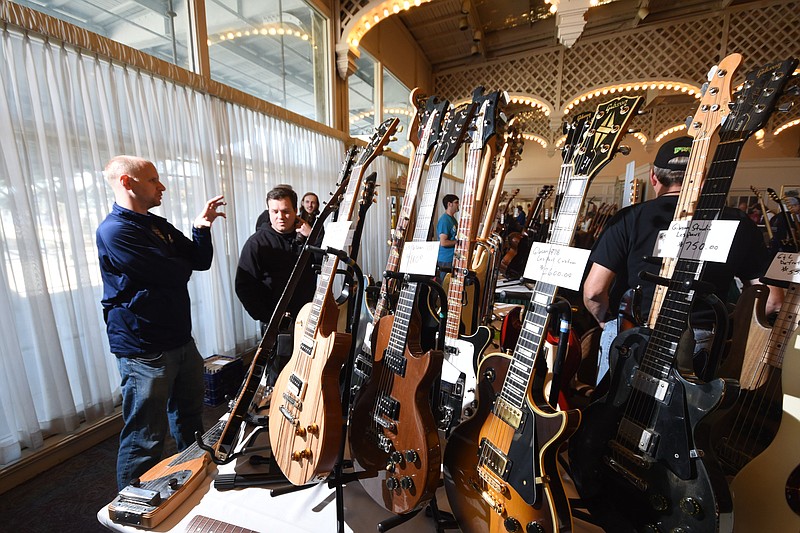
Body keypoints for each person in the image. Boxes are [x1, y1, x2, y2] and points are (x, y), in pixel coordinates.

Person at [583, 136, 782, 384]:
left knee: (611, 413)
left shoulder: (628, 217)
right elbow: (772, 301)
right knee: (679, 421)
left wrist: (606, 321)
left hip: (629, 334)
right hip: (700, 340)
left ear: (654, 179)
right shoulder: (738, 222)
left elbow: (593, 291)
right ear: (703, 176)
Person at [96, 155, 226, 490]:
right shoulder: (114, 231)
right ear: (127, 182)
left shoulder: (157, 225)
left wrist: (201, 227)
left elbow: (199, 261)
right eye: (154, 180)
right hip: (144, 348)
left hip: (180, 338)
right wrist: (175, 262)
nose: (162, 186)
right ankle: (132, 508)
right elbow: (170, 273)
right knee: (145, 436)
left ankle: (194, 479)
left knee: (189, 419)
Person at [236, 186, 316, 326]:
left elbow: (324, 264)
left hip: (307, 317)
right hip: (274, 322)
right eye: (275, 211)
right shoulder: (256, 243)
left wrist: (312, 237)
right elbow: (244, 286)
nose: (280, 217)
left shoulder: (307, 235)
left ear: (296, 211)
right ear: (268, 212)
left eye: (286, 211)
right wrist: (267, 316)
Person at [436, 194, 459, 281]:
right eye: (456, 202)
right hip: (446, 260)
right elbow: (443, 242)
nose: (458, 205)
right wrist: (458, 242)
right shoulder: (444, 220)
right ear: (449, 204)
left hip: (451, 258)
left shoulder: (452, 219)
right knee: (445, 285)